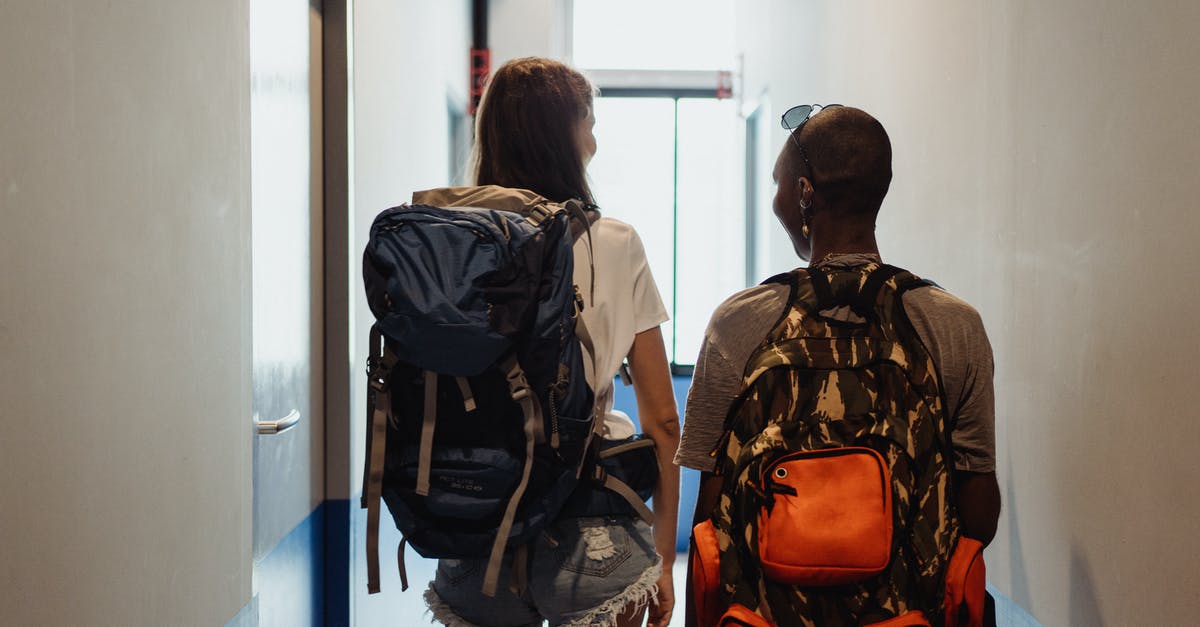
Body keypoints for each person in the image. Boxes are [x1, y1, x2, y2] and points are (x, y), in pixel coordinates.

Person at [676, 104, 1001, 625]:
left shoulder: (739, 323)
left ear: (804, 193)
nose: (776, 198)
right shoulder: (953, 325)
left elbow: (708, 520)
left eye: (779, 183)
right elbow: (979, 508)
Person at [424, 57, 680, 627]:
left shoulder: (447, 246)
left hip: (477, 518)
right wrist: (662, 556)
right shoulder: (613, 242)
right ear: (563, 136)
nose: (594, 139)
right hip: (591, 522)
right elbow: (662, 420)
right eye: (588, 122)